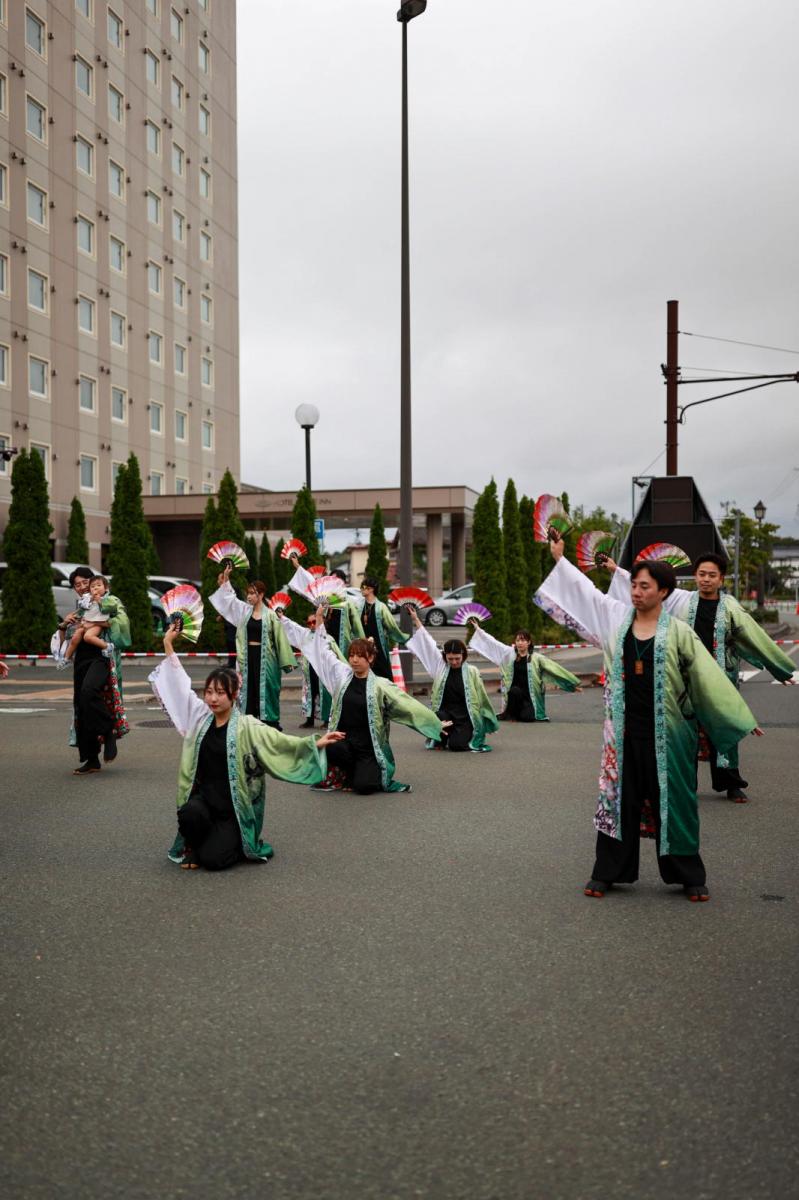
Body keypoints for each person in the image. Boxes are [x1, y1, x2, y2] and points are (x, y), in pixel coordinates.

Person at [536, 532, 761, 902]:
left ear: (664, 593)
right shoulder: (616, 622)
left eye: (644, 586)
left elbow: (709, 680)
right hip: (622, 736)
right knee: (616, 802)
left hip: (668, 736)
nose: (636, 592)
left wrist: (740, 718)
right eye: (634, 585)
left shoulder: (680, 634)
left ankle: (687, 874)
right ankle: (608, 872)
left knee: (674, 803)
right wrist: (560, 560)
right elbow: (587, 595)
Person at [149, 623, 343, 870]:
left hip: (234, 810)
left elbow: (280, 743)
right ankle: (198, 845)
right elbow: (179, 685)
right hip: (205, 801)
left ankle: (234, 843)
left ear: (233, 695)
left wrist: (315, 743)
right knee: (188, 814)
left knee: (214, 860)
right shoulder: (199, 718)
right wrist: (168, 644)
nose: (213, 698)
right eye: (209, 692)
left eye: (220, 693)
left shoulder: (247, 726)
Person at [605, 551, 795, 801]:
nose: (706, 579)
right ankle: (686, 785)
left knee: (723, 726)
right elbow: (649, 586)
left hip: (720, 677)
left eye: (712, 575)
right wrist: (615, 570)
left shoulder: (730, 607)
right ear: (695, 576)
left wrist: (779, 668)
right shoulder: (683, 601)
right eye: (702, 574)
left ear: (721, 579)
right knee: (685, 733)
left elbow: (753, 636)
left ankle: (731, 783)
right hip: (687, 679)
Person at [284, 605, 444, 793]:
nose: (354, 660)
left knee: (364, 787)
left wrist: (436, 723)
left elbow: (409, 706)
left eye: (360, 656)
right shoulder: (341, 675)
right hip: (345, 743)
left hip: (369, 748)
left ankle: (359, 772)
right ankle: (347, 772)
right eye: (351, 655)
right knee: (329, 745)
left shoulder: (381, 685)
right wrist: (319, 618)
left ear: (370, 658)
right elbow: (323, 651)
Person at [53, 567, 130, 775]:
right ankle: (91, 758)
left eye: (85, 582)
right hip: (82, 659)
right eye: (76, 584)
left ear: (95, 582)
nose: (81, 587)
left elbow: (123, 626)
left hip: (102, 656)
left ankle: (109, 729)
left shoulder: (110, 600)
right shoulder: (80, 608)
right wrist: (64, 625)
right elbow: (67, 639)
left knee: (90, 692)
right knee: (82, 704)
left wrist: (103, 622)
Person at [209, 565, 296, 728]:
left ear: (261, 595)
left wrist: (286, 661)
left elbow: (280, 640)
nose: (249, 597)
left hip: (267, 660)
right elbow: (231, 601)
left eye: (252, 593)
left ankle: (269, 722)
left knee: (267, 690)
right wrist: (226, 579)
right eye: (248, 593)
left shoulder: (271, 616)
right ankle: (248, 722)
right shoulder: (244, 611)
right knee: (247, 689)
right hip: (247, 657)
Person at [405, 606, 499, 751]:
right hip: (446, 715)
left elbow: (482, 697)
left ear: (463, 656)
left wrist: (488, 720)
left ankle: (457, 735)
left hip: (465, 716)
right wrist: (415, 619)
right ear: (445, 657)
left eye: (457, 658)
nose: (454, 662)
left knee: (458, 746)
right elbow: (427, 641)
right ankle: (443, 737)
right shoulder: (440, 667)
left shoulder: (472, 671)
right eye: (450, 659)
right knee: (439, 716)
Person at [287, 557, 365, 721]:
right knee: (314, 679)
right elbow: (310, 585)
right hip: (321, 644)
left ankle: (332, 715)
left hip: (340, 648)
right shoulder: (324, 599)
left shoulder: (349, 603)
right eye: (332, 579)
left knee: (336, 680)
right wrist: (298, 566)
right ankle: (311, 717)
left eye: (337, 580)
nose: (333, 583)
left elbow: (357, 626)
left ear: (343, 583)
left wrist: (363, 642)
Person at [467, 622, 581, 722]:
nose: (520, 643)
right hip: (514, 696)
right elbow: (493, 643)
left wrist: (571, 684)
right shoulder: (509, 654)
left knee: (528, 718)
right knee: (514, 691)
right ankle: (510, 712)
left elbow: (555, 669)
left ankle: (517, 713)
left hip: (530, 697)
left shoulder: (537, 658)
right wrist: (479, 631)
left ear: (529, 642)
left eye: (523, 640)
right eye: (517, 640)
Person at [64, 575, 113, 659]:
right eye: (93, 586)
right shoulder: (87, 599)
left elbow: (112, 621)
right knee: (76, 635)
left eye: (85, 583)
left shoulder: (110, 599)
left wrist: (99, 602)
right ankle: (66, 658)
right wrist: (65, 623)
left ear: (106, 588)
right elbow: (82, 610)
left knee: (88, 637)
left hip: (99, 652)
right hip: (82, 652)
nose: (95, 588)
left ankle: (106, 646)